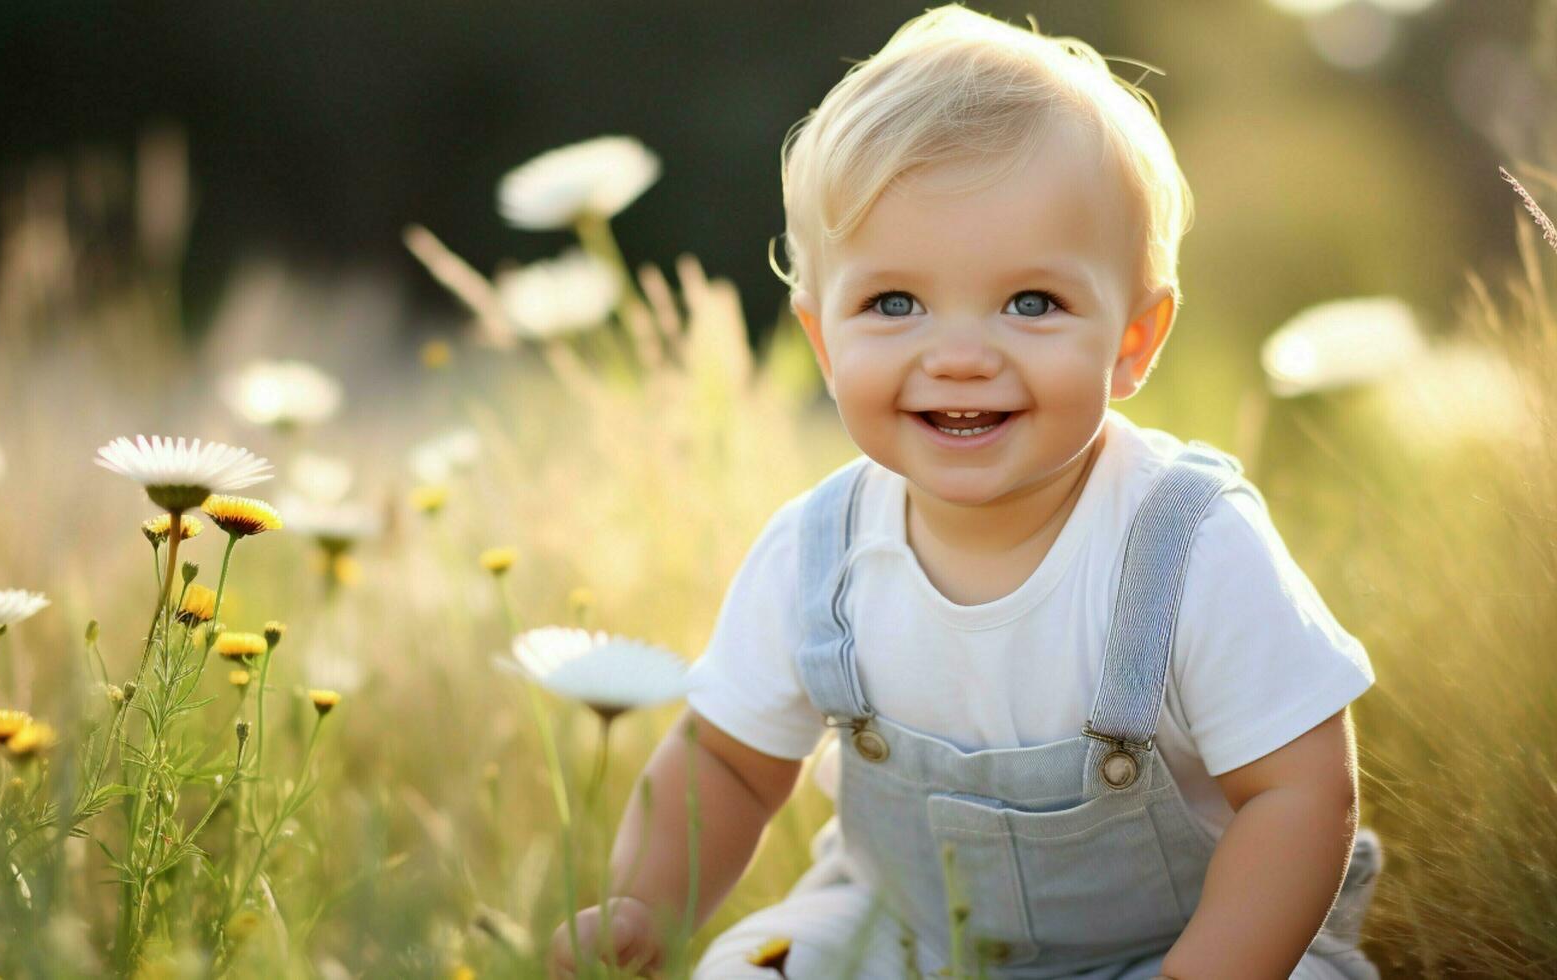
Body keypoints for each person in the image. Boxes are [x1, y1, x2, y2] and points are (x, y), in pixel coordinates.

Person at [548, 5, 1382, 978]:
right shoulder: (820, 557)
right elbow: (728, 761)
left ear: (1133, 342)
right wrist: (646, 902)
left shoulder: (1185, 543)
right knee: (759, 965)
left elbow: (1302, 796)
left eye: (1032, 303)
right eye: (893, 303)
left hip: (1185, 943)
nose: (958, 357)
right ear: (823, 342)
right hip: (906, 933)